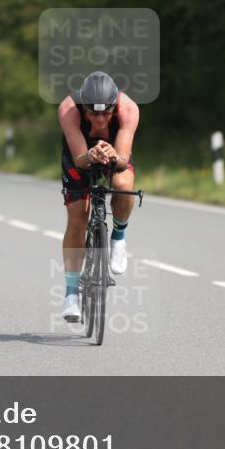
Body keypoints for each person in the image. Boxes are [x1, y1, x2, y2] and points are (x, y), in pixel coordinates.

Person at [57, 71, 140, 322]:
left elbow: (123, 161)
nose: (101, 119)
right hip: (79, 156)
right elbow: (79, 159)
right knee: (77, 219)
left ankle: (118, 237)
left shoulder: (128, 109)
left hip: (115, 155)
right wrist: (90, 155)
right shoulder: (69, 109)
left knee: (123, 184)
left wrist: (114, 156)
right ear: (84, 107)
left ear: (114, 106)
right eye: (93, 113)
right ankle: (71, 294)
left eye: (106, 113)